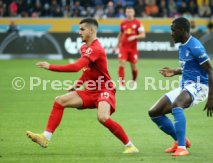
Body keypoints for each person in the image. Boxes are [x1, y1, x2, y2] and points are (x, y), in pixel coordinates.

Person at [26, 18, 139, 154]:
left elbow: (76, 67)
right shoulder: (84, 47)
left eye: (82, 29)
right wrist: (78, 84)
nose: (79, 32)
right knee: (60, 101)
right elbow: (86, 70)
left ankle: (130, 145)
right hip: (90, 90)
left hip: (105, 89)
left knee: (102, 117)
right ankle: (45, 137)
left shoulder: (96, 48)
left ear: (91, 31)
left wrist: (50, 66)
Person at [148, 17, 213, 156]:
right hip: (185, 86)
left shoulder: (195, 47)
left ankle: (182, 148)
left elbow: (210, 71)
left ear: (182, 31)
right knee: (154, 112)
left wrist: (211, 98)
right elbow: (189, 67)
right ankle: (180, 140)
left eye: (173, 30)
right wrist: (174, 71)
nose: (171, 33)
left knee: (177, 105)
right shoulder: (182, 45)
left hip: (199, 86)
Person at [113, 6, 146, 90]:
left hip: (133, 48)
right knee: (121, 64)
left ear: (134, 12)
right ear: (125, 13)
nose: (129, 14)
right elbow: (120, 35)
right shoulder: (123, 23)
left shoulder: (138, 23)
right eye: (127, 12)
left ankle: (133, 81)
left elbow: (143, 35)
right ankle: (122, 84)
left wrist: (135, 36)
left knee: (134, 67)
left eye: (130, 12)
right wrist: (116, 46)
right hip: (123, 47)